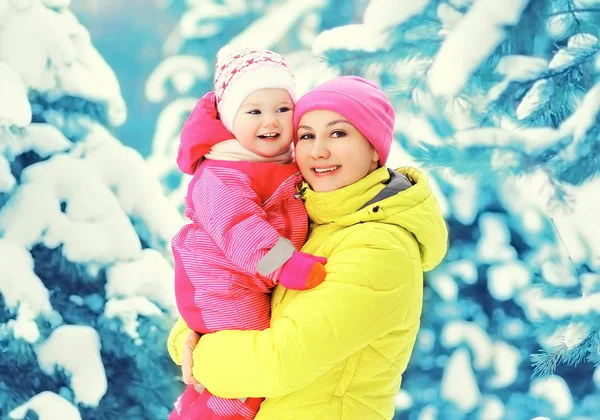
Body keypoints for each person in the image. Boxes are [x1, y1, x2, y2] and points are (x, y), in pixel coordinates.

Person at [168, 76, 449, 419]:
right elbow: (230, 299)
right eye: (306, 136)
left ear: (375, 148)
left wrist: (199, 356)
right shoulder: (313, 225)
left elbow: (279, 364)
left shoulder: (380, 247)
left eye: (338, 133)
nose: (318, 150)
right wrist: (185, 337)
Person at [170, 47, 328, 420]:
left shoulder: (280, 163)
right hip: (223, 285)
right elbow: (240, 228)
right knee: (241, 384)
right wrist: (285, 264)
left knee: (236, 377)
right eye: (254, 111)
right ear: (230, 119)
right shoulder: (222, 172)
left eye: (282, 109)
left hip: (250, 281)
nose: (269, 121)